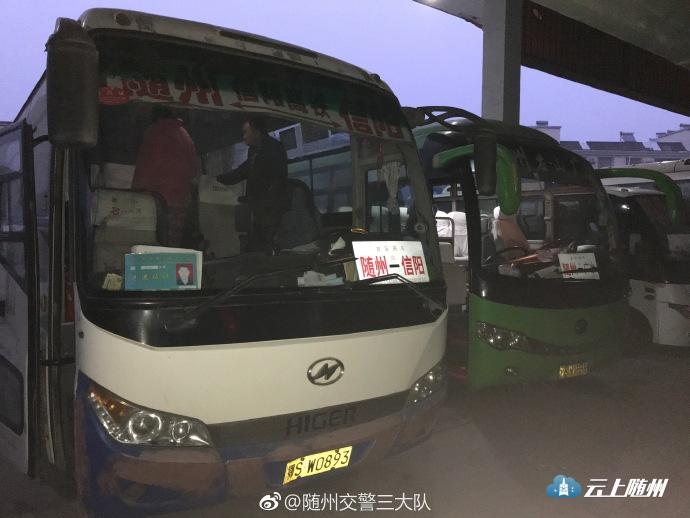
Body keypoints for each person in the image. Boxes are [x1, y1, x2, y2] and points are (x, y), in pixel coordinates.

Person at [216, 116, 288, 252]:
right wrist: (214, 180)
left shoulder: (273, 149)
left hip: (270, 212)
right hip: (258, 211)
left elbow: (276, 181)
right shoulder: (255, 150)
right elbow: (243, 172)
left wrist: (263, 203)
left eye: (246, 132)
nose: (244, 137)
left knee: (264, 247)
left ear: (256, 132)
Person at [132, 106, 199, 246]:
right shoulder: (185, 135)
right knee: (171, 244)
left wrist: (135, 195)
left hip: (157, 200)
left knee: (151, 243)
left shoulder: (154, 132)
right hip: (181, 201)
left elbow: (145, 168)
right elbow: (194, 171)